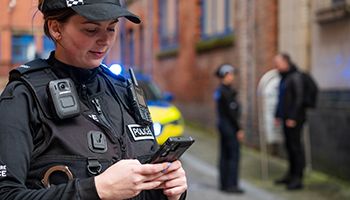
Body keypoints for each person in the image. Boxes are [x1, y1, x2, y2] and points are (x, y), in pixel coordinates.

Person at [0, 0, 187, 199]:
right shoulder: (23, 97)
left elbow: (145, 186)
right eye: (91, 29)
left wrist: (171, 190)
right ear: (55, 28)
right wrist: (95, 190)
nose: (105, 40)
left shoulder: (125, 91)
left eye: (112, 28)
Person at [274, 53, 306, 190]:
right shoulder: (284, 77)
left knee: (295, 148)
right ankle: (290, 175)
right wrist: (277, 115)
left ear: (286, 62)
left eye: (278, 63)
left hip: (294, 120)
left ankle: (297, 178)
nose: (276, 66)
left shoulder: (296, 76)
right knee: (289, 147)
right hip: (285, 119)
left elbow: (299, 98)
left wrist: (292, 117)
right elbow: (281, 99)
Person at [214, 64, 244, 194]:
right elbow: (232, 114)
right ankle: (231, 185)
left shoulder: (220, 91)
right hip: (229, 128)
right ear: (224, 76)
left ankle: (224, 183)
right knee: (233, 155)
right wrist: (239, 129)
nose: (232, 77)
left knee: (225, 155)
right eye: (230, 74)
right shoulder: (226, 92)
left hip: (223, 126)